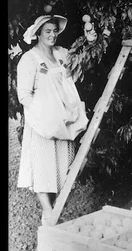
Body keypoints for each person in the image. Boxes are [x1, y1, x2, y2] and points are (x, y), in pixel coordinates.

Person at [16, 14, 97, 225]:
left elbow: (80, 66)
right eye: (47, 32)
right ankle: (48, 213)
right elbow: (24, 95)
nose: (52, 35)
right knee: (43, 166)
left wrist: (90, 43)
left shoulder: (62, 53)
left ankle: (57, 209)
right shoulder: (29, 59)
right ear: (38, 34)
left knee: (60, 164)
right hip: (42, 122)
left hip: (63, 121)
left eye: (54, 31)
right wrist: (42, 114)